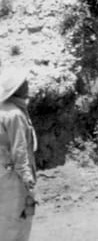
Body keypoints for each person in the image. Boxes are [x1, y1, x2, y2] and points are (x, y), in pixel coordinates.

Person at [0, 67, 37, 241]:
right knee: (18, 220)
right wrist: (28, 181)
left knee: (4, 220)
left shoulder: (3, 109)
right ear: (18, 88)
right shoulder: (15, 114)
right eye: (25, 84)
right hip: (13, 178)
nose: (28, 86)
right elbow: (20, 149)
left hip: (2, 174)